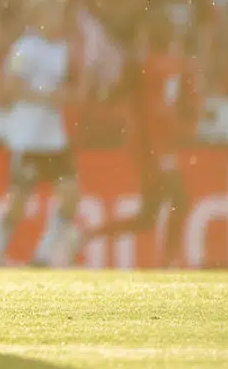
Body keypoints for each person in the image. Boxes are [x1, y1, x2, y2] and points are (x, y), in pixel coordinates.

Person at [76, 15, 197, 267]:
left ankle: (89, 235)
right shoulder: (143, 65)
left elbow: (175, 102)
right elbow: (116, 93)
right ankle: (169, 262)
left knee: (148, 217)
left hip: (161, 144)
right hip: (149, 145)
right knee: (180, 200)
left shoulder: (171, 64)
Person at [0, 0, 82, 267]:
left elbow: (70, 90)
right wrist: (46, 97)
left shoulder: (64, 50)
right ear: (39, 15)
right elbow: (9, 88)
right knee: (18, 202)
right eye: (53, 11)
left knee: (70, 195)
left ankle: (42, 255)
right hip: (27, 136)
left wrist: (66, 96)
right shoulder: (24, 49)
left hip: (53, 137)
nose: (59, 17)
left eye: (61, 11)